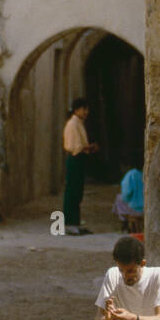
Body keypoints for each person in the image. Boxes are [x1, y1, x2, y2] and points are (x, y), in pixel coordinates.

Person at [62, 97, 99, 236]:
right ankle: (69, 224)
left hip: (79, 159)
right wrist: (89, 147)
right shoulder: (73, 124)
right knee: (72, 191)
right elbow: (75, 147)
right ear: (77, 109)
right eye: (84, 109)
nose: (86, 112)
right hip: (74, 159)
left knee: (77, 192)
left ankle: (75, 223)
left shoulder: (79, 123)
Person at [113, 154, 144, 233]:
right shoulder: (148, 172)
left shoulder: (131, 174)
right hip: (148, 205)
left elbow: (126, 194)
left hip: (136, 207)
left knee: (119, 198)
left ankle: (124, 221)